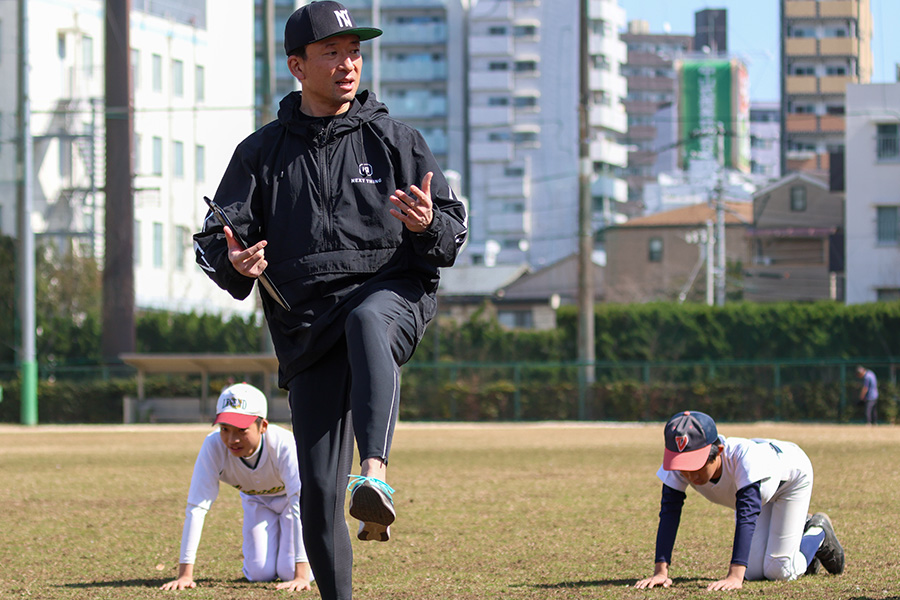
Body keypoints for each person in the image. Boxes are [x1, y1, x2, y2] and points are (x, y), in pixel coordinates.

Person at [192, 2, 467, 598]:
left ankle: (375, 478)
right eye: (332, 52)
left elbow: (452, 229)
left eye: (354, 52)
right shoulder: (259, 153)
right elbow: (216, 238)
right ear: (297, 65)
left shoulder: (397, 140)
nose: (348, 64)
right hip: (308, 326)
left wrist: (426, 227)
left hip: (392, 293)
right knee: (315, 492)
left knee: (369, 320)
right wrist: (233, 261)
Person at [635, 410, 845, 591]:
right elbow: (669, 512)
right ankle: (801, 552)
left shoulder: (744, 460)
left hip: (791, 479)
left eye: (696, 464)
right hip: (757, 492)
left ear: (718, 451)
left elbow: (746, 514)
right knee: (753, 571)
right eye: (683, 465)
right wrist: (660, 572)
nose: (689, 475)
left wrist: (734, 576)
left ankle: (818, 531)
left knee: (779, 570)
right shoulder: (678, 467)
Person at [160, 383, 313, 592]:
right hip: (256, 501)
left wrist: (301, 575)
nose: (232, 440)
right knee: (259, 574)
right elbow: (197, 507)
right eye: (225, 429)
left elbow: (298, 503)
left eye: (242, 430)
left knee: (289, 571)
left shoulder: (284, 443)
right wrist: (185, 574)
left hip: (291, 502)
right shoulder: (213, 446)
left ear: (263, 426)